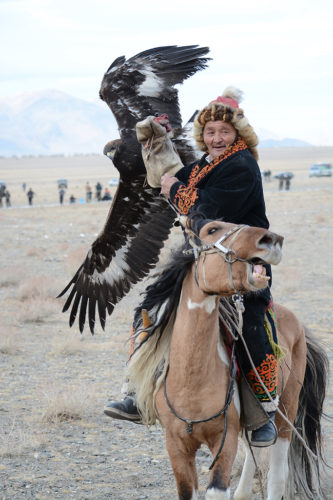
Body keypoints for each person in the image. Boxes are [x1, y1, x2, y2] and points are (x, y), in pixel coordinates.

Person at [105, 87, 279, 447]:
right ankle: (137, 394)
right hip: (200, 257)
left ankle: (265, 410)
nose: (216, 138)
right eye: (211, 132)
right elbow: (180, 178)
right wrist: (157, 149)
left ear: (238, 135)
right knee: (151, 308)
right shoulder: (210, 163)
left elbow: (205, 211)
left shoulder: (242, 165)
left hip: (243, 259)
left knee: (251, 324)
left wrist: (173, 189)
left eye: (224, 132)